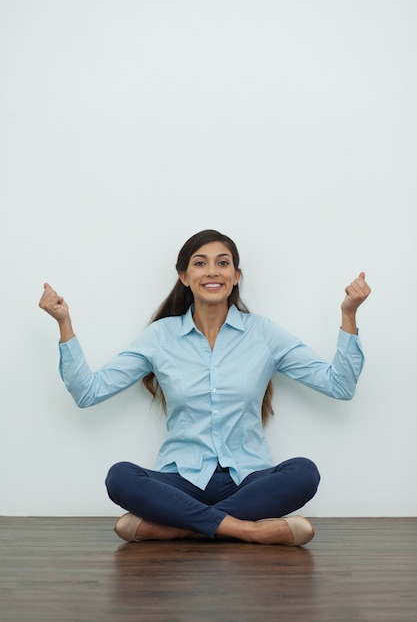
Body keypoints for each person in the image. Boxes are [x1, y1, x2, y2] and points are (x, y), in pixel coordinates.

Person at [39, 229, 371, 546]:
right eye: (200, 263)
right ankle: (247, 531)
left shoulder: (264, 334)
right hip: (181, 483)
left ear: (236, 276)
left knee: (303, 473)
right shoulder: (161, 336)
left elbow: (339, 385)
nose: (212, 271)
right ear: (184, 277)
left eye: (222, 262)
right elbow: (89, 392)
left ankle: (180, 529)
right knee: (120, 477)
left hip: (248, 479)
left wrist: (349, 314)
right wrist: (64, 322)